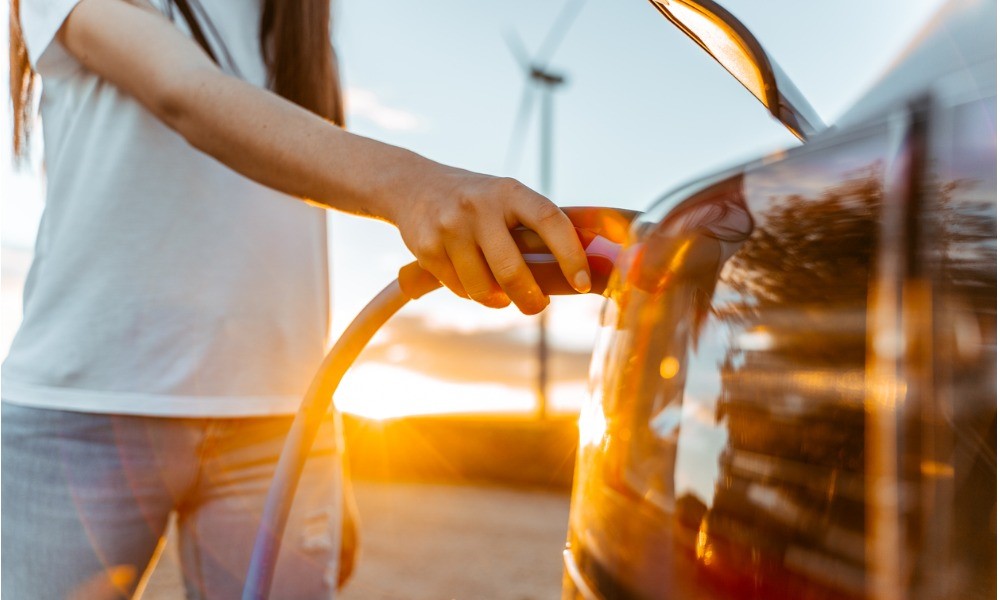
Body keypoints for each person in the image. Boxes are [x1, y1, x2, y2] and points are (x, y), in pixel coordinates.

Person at [2, 0, 592, 597]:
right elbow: (182, 90)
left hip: (279, 425)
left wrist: (323, 447)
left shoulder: (299, 17)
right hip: (81, 410)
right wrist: (416, 188)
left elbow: (290, 221)